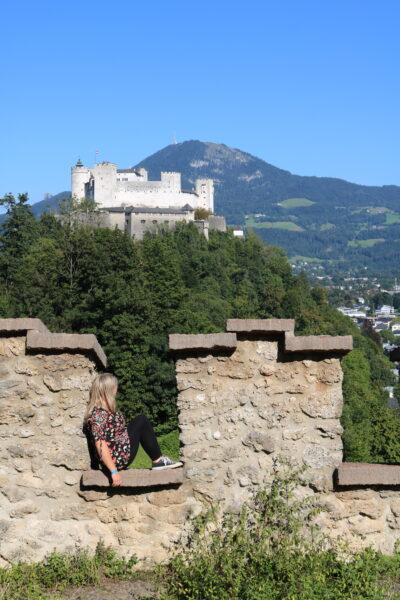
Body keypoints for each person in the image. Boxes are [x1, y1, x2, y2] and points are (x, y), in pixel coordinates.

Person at [85, 373, 182, 487]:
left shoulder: (100, 412)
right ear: (111, 389)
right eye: (116, 386)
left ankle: (158, 459)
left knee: (139, 421)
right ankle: (158, 460)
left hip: (117, 453)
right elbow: (100, 444)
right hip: (118, 458)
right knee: (141, 420)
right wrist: (113, 471)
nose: (117, 389)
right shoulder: (98, 416)